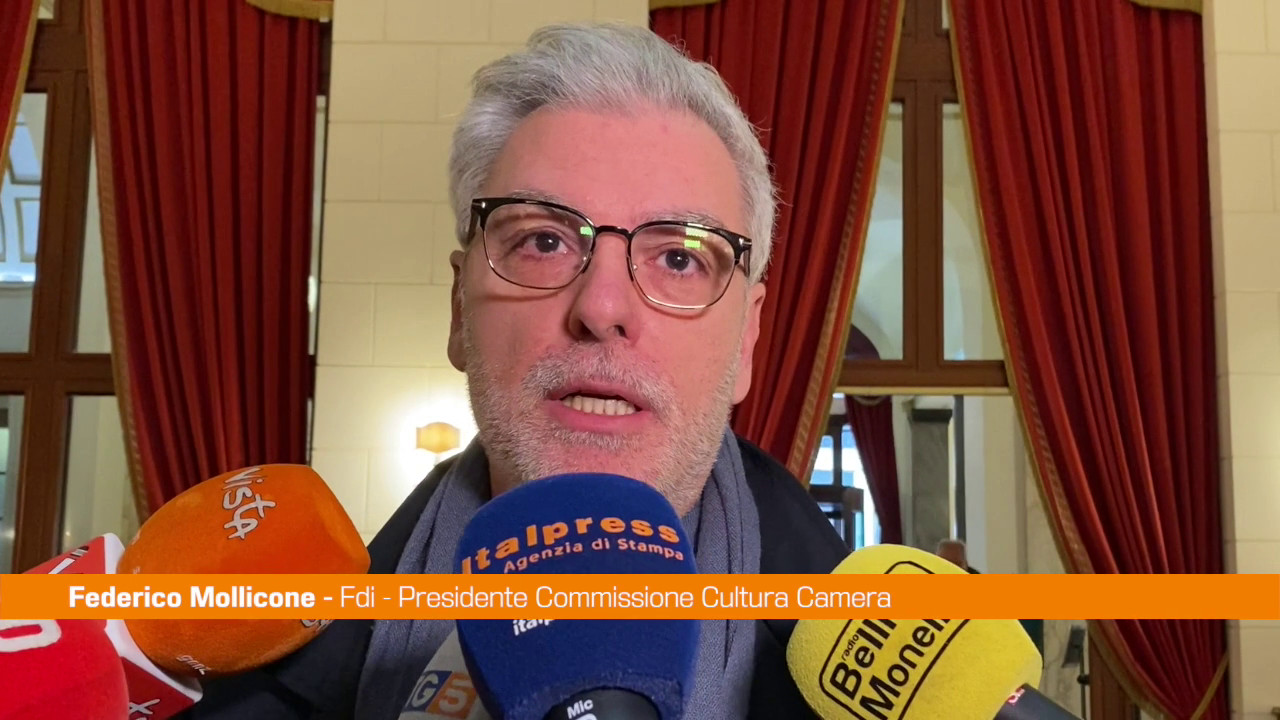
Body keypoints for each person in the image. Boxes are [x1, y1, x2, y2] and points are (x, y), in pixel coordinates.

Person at [188, 23, 846, 719]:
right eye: (543, 241)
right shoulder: (248, 687)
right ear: (458, 312)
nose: (601, 308)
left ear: (747, 340)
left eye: (680, 258)